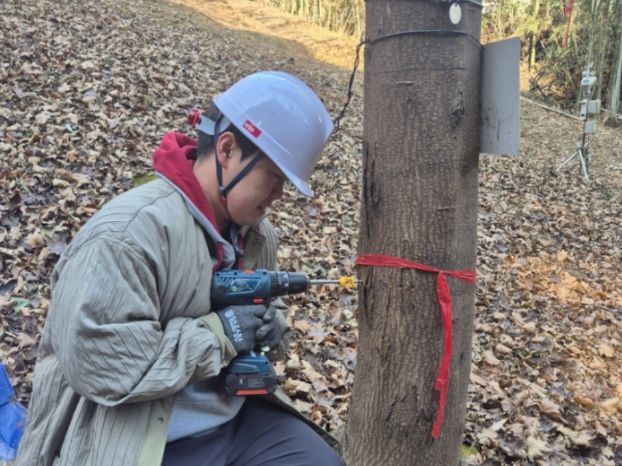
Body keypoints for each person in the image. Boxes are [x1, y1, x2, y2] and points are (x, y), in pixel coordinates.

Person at [16, 71, 343, 466]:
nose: (279, 195)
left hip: (233, 416)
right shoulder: (128, 234)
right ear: (226, 149)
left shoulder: (258, 235)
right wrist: (220, 333)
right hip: (132, 434)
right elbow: (101, 364)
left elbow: (266, 325)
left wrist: (271, 329)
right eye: (273, 177)